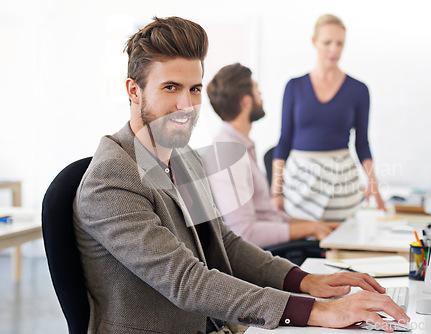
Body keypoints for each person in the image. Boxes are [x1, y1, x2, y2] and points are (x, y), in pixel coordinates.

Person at [73, 16, 409, 333]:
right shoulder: (111, 181)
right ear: (134, 91)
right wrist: (318, 310)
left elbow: (225, 243)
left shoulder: (183, 157)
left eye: (194, 89)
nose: (186, 106)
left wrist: (305, 281)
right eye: (171, 88)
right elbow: (186, 282)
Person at [204, 63, 340, 249]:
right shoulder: (228, 154)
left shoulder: (240, 147)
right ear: (246, 101)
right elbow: (245, 233)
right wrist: (310, 229)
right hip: (267, 257)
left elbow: (268, 216)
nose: (261, 96)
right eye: (257, 91)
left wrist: (318, 226)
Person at [271, 14, 386, 222]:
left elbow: (362, 143)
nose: (334, 49)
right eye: (327, 42)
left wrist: (373, 183)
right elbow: (284, 140)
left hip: (341, 184)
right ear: (314, 42)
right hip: (300, 183)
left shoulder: (359, 90)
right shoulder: (294, 87)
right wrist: (275, 191)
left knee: (339, 243)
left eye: (340, 43)